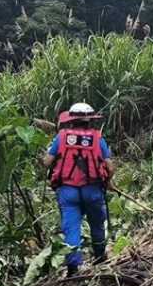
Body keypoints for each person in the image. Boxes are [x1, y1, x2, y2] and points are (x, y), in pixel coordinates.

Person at [42, 103, 114, 275]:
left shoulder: (61, 137)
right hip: (93, 191)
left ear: (71, 120)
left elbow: (46, 162)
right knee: (97, 224)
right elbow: (109, 167)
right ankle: (99, 257)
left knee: (71, 227)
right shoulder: (98, 139)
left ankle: (73, 268)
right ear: (90, 120)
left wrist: (43, 157)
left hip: (68, 191)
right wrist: (108, 182)